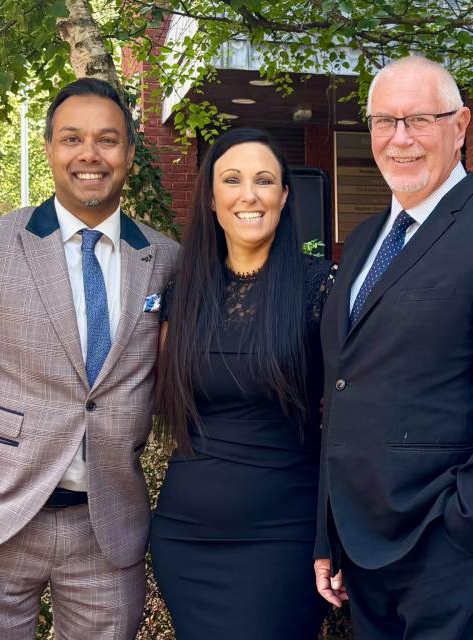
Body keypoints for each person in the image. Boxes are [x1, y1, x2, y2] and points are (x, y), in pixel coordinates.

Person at [0, 78, 179, 639]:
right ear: (50, 149)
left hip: (106, 531)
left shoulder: (165, 259)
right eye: (72, 139)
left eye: (107, 140)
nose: (90, 154)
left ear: (130, 153)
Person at [314, 56, 473, 639]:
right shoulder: (365, 241)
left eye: (420, 119)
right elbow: (343, 388)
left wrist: (470, 522)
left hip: (449, 547)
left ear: (460, 126)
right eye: (384, 121)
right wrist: (328, 532)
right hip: (364, 548)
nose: (399, 138)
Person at [150, 127, 335, 639]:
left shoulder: (321, 287)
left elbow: (349, 412)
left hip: (283, 539)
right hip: (185, 538)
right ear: (211, 199)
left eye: (264, 180)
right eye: (231, 180)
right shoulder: (183, 289)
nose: (248, 195)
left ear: (284, 196)